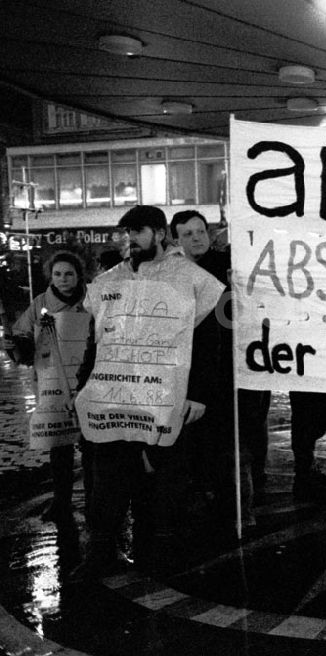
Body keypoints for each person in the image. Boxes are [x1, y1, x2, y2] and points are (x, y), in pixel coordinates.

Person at [71, 205, 223, 578]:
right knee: (108, 474)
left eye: (137, 232)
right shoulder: (110, 281)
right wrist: (83, 386)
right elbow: (98, 338)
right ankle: (102, 550)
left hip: (164, 396)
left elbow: (207, 340)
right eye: (126, 233)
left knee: (164, 478)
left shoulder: (189, 278)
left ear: (158, 233)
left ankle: (159, 550)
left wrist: (199, 393)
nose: (130, 240)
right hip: (116, 396)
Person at [171, 210, 272, 517]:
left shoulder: (229, 268)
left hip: (233, 371)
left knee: (236, 444)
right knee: (200, 444)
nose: (196, 237)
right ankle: (207, 499)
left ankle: (242, 507)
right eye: (187, 234)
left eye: (200, 231)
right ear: (176, 240)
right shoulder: (174, 273)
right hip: (192, 373)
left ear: (210, 233)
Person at [7, 251, 92, 527]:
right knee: (59, 444)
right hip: (53, 385)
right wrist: (20, 346)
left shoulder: (92, 299)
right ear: (50, 276)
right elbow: (21, 335)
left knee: (92, 444)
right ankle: (62, 500)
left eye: (69, 274)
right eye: (57, 274)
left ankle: (95, 498)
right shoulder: (41, 303)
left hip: (88, 381)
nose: (63, 279)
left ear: (79, 275)